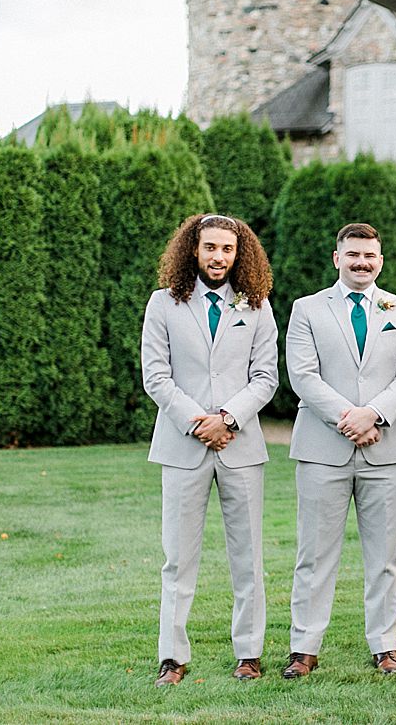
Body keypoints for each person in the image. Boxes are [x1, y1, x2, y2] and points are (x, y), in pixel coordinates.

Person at [282, 223, 396, 679]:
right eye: (353, 255)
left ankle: (385, 645)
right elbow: (302, 374)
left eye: (370, 256)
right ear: (336, 257)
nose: (362, 262)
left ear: (380, 260)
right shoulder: (307, 309)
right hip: (323, 446)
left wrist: (375, 415)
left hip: (386, 445)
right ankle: (304, 647)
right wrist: (349, 416)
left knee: (385, 555)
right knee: (314, 552)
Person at [141, 213, 279, 686]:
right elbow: (156, 376)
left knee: (248, 557)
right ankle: (173, 657)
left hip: (241, 447)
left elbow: (266, 378)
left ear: (239, 254)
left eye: (227, 249)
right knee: (177, 559)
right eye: (210, 248)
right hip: (182, 447)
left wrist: (230, 419)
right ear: (192, 250)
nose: (218, 257)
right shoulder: (164, 304)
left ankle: (249, 653)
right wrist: (200, 422)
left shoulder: (257, 305)